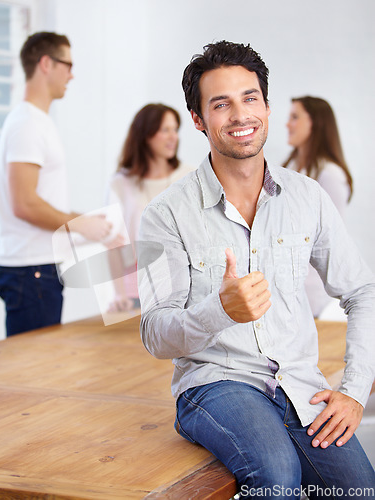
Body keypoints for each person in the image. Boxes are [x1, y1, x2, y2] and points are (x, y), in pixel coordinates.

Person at [138, 41, 375, 497]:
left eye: (250, 98)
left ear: (266, 105)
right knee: (275, 474)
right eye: (221, 104)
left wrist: (355, 389)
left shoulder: (308, 197)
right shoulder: (163, 214)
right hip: (214, 384)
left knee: (359, 489)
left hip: (300, 383)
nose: (241, 115)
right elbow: (154, 333)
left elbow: (362, 290)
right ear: (199, 120)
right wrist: (220, 310)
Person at [0, 32, 111, 337]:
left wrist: (84, 224)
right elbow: (24, 203)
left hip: (34, 268)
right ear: (46, 63)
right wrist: (79, 224)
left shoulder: (35, 121)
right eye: (67, 64)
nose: (72, 74)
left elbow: (38, 200)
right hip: (29, 270)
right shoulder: (27, 124)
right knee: (29, 373)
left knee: (33, 368)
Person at [106, 103, 192, 312]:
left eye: (175, 130)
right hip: (135, 289)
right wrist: (119, 294)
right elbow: (112, 242)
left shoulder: (189, 176)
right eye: (165, 130)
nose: (173, 137)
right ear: (145, 134)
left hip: (181, 288)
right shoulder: (121, 182)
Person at [283, 96, 353, 317]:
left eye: (295, 117)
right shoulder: (290, 168)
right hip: (283, 288)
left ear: (315, 123)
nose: (288, 124)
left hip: (310, 294)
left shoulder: (330, 175)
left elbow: (328, 241)